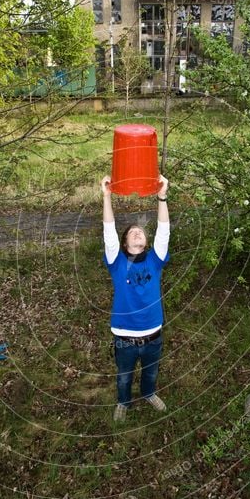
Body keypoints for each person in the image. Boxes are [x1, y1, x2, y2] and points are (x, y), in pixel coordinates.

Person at [101, 173, 170, 422]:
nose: (138, 233)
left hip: (153, 332)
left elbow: (163, 231)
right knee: (124, 376)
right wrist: (107, 196)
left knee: (150, 372)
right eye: (133, 232)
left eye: (141, 231)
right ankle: (123, 402)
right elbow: (109, 231)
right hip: (124, 336)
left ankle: (149, 393)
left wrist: (162, 197)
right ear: (125, 241)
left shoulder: (155, 260)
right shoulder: (117, 263)